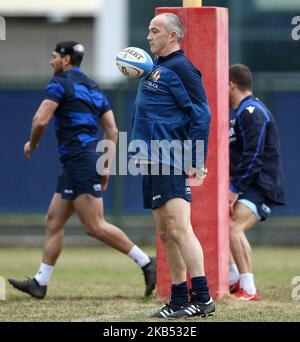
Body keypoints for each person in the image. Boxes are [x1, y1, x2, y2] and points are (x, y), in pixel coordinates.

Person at [8, 41, 156, 299]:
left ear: (66, 60)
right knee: (53, 221)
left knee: (94, 225)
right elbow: (111, 130)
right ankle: (40, 282)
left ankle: (147, 262)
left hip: (79, 160)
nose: (50, 61)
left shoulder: (60, 83)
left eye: (53, 57)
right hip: (81, 161)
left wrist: (32, 143)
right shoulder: (93, 87)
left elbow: (40, 119)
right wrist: (105, 166)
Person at [130, 13, 215, 318]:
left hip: (170, 157)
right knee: (165, 232)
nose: (149, 36)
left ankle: (203, 297)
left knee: (179, 227)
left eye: (155, 31)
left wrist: (195, 157)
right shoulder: (156, 68)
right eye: (149, 31)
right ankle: (179, 299)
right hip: (151, 157)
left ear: (173, 36)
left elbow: (201, 114)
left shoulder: (181, 68)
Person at [228, 64, 285, 300]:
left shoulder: (251, 111)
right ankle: (233, 279)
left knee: (234, 228)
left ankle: (248, 289)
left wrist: (235, 189)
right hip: (248, 184)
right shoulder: (241, 112)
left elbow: (254, 155)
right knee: (224, 226)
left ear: (230, 85)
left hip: (259, 185)